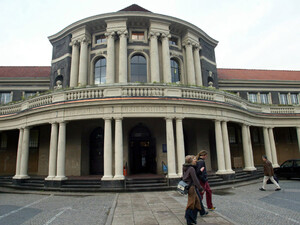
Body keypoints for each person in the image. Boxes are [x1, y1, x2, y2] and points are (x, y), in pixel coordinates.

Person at [182, 155, 207, 225]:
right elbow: (195, 179)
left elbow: (183, 176)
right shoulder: (191, 168)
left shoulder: (184, 167)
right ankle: (189, 220)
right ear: (190, 161)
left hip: (189, 186)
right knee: (191, 204)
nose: (196, 160)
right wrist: (200, 188)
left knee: (197, 202)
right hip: (191, 187)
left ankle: (193, 219)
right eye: (194, 159)